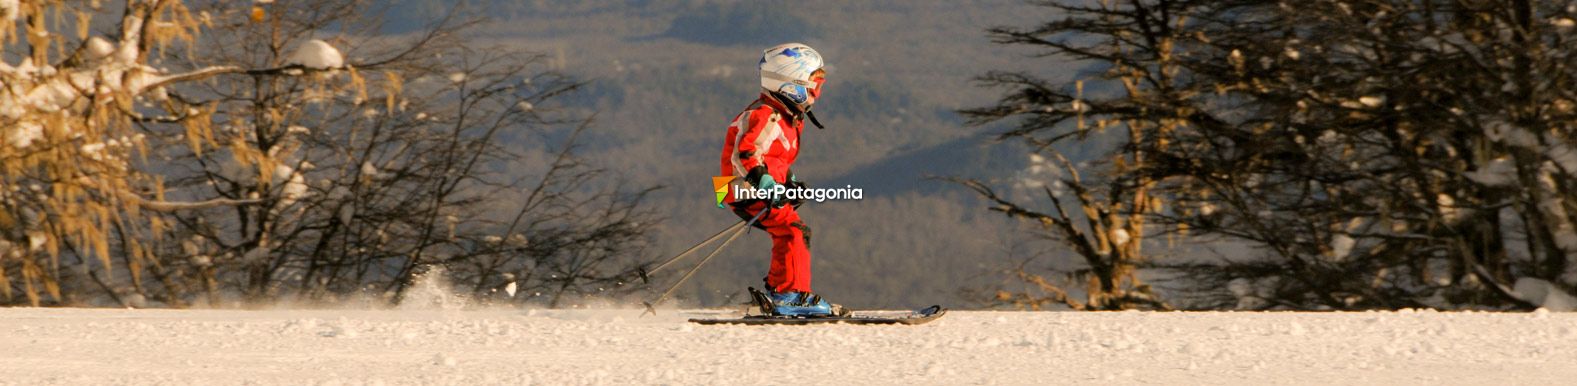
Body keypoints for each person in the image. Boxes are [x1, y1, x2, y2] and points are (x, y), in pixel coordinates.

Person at [718, 43, 842, 317]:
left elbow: (775, 158)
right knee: (794, 231)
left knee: (789, 231)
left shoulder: (786, 116)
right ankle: (790, 296)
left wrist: (789, 181)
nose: (816, 95)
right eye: (812, 87)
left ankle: (779, 292)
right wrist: (766, 185)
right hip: (740, 188)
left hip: (755, 187)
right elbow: (746, 153)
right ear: (790, 85)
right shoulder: (767, 115)